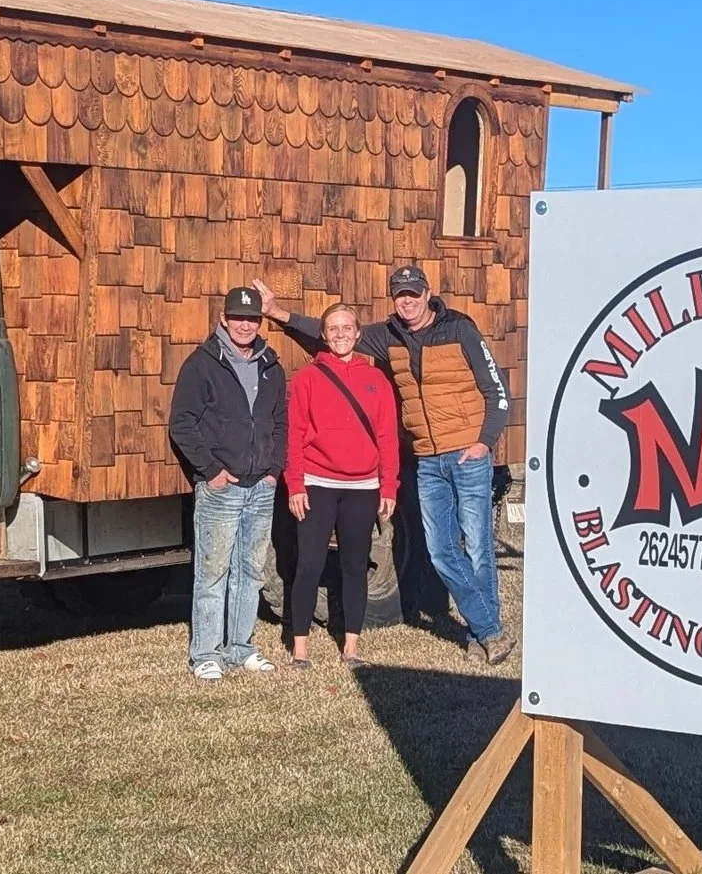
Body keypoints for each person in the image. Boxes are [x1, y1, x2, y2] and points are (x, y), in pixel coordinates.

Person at [252, 267, 516, 665]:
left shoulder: (460, 329)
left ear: (428, 293)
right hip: (427, 458)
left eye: (413, 293)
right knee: (441, 551)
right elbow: (329, 333)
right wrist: (278, 314)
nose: (406, 301)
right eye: (400, 294)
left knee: (477, 546)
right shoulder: (389, 335)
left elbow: (497, 391)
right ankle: (488, 630)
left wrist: (484, 442)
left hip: (467, 453)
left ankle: (486, 633)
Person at [167, 286, 287, 681]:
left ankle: (241, 647)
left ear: (260, 322)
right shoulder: (202, 364)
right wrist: (211, 470)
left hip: (260, 486)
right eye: (238, 317)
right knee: (213, 571)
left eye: (252, 319)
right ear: (223, 318)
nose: (245, 325)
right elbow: (182, 423)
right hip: (222, 487)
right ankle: (206, 653)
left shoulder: (271, 365)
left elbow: (280, 422)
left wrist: (273, 470)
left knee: (251, 572)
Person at [283, 304, 401, 669]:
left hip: (362, 487)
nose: (340, 334)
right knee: (309, 564)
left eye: (346, 327)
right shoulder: (307, 378)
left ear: (358, 333)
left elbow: (388, 437)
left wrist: (389, 487)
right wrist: (295, 484)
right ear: (323, 334)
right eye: (333, 328)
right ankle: (300, 651)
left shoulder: (376, 379)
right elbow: (294, 435)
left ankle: (351, 647)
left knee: (354, 565)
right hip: (317, 483)